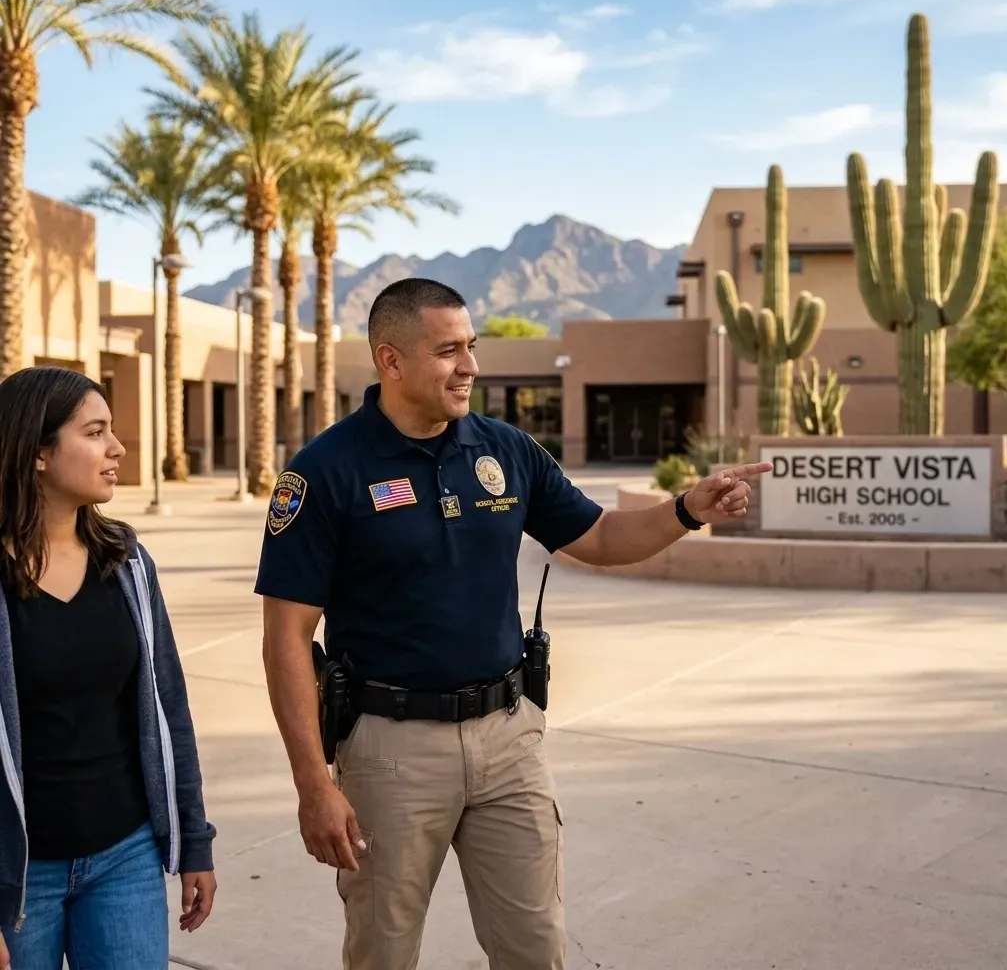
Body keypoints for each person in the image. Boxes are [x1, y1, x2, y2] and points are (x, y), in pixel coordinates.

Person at [257, 277, 770, 969]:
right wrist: (313, 785)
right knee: (383, 950)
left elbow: (603, 536)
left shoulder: (506, 451)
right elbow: (286, 637)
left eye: (471, 347)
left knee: (534, 948)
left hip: (509, 741)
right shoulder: (326, 471)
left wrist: (686, 510)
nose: (470, 365)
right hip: (389, 754)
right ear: (390, 360)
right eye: (448, 351)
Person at [0, 366, 217, 970]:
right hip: (18, 877)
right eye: (95, 433)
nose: (117, 449)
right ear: (38, 452)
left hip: (125, 857)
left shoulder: (125, 560)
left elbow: (167, 706)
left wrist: (193, 840)